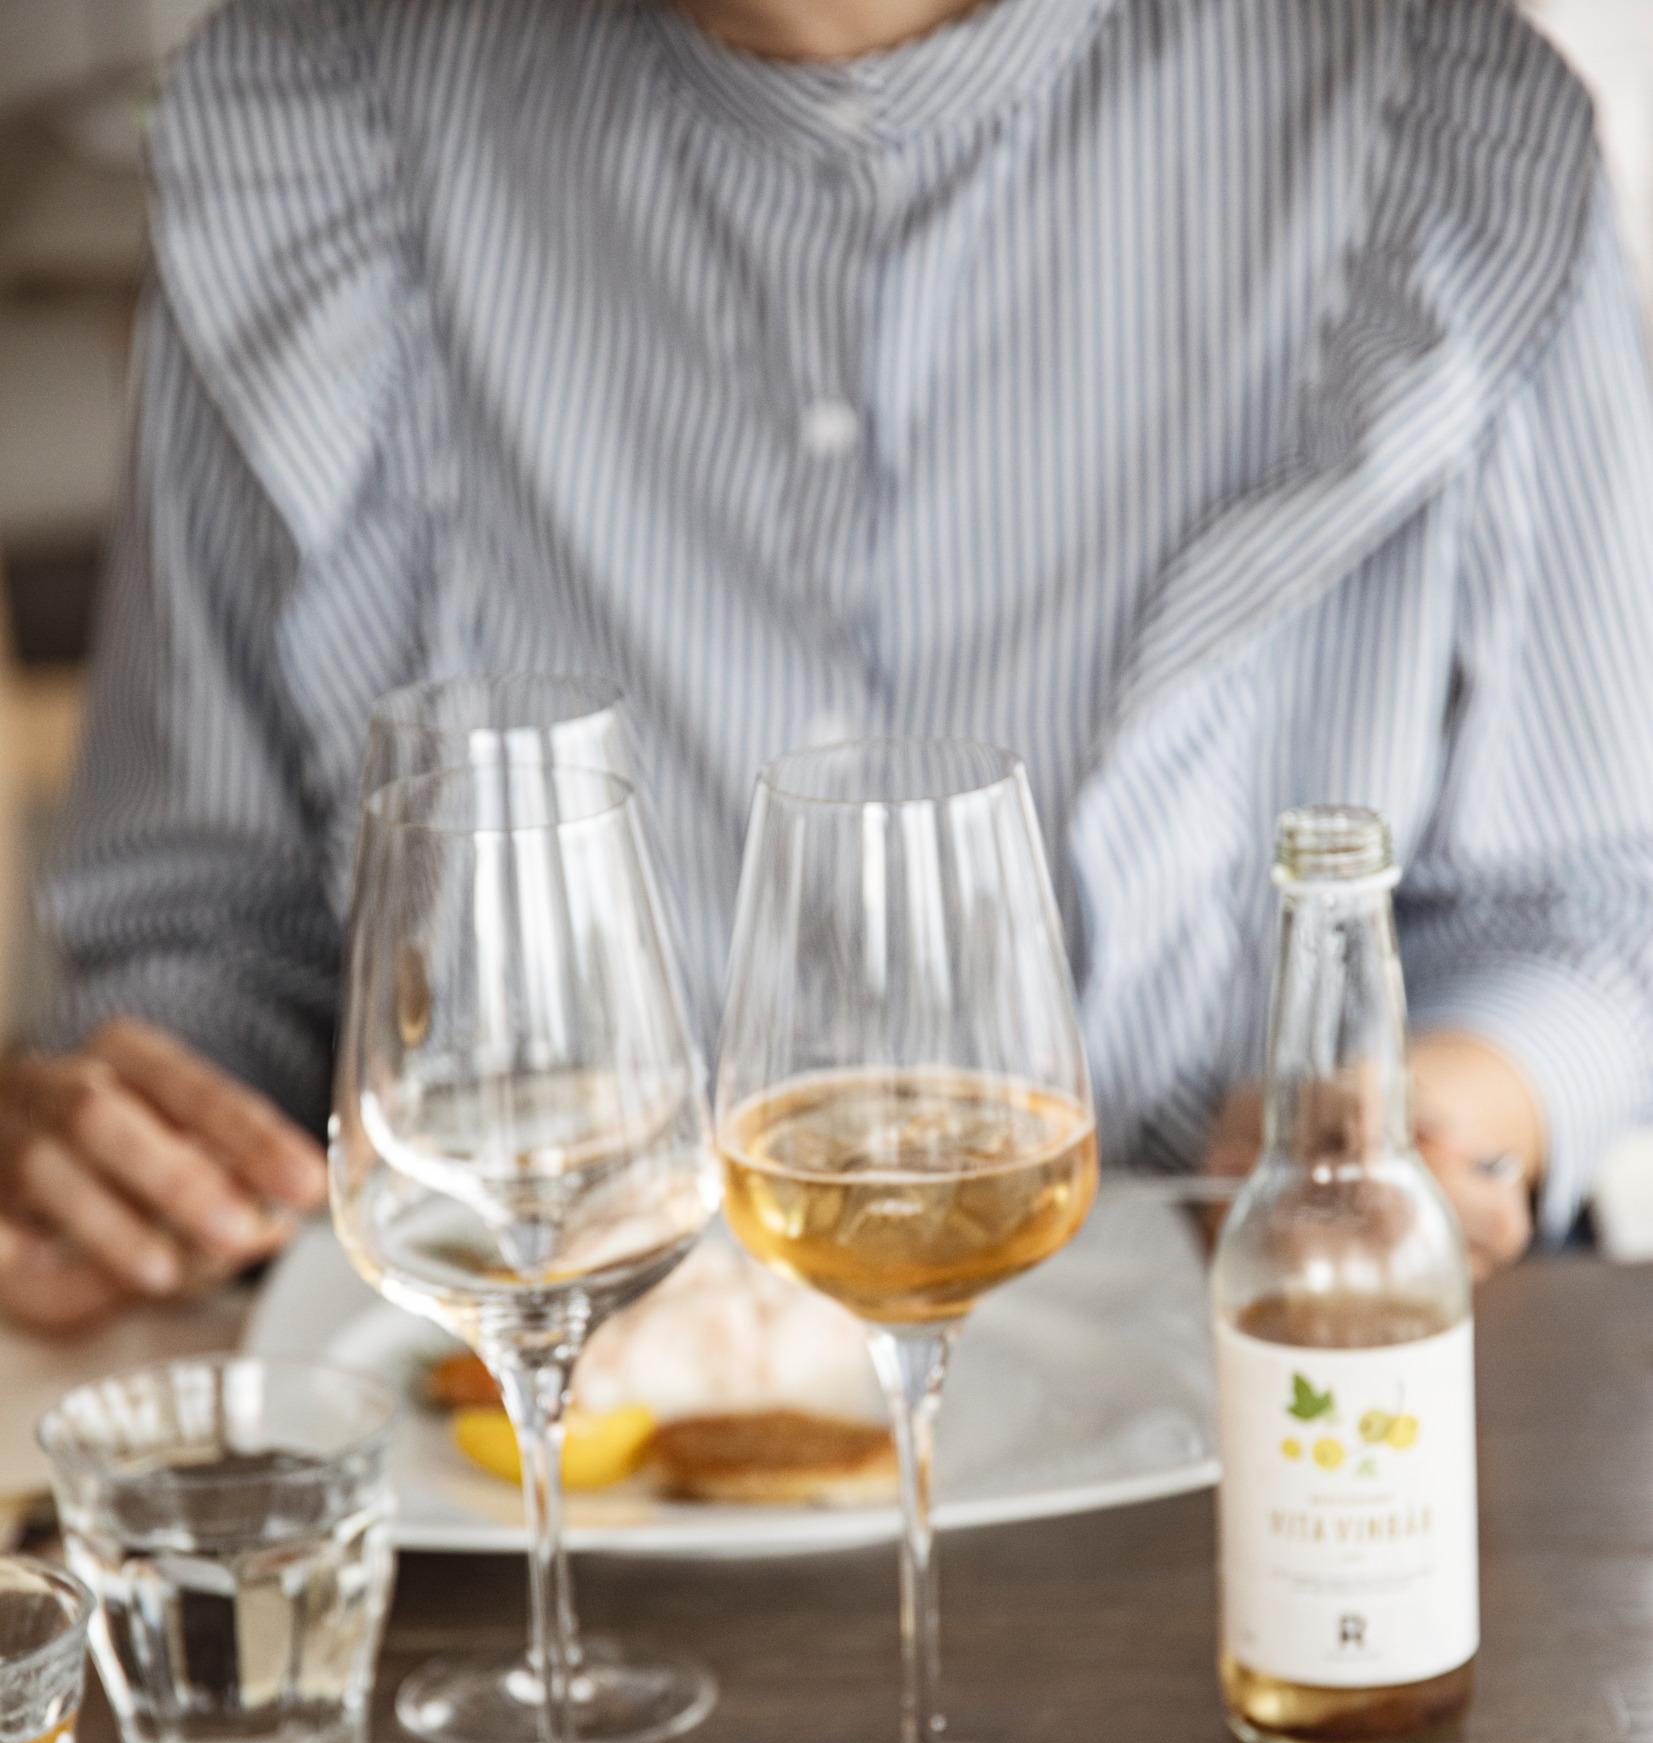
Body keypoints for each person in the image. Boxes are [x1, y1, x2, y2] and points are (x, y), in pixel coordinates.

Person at [7, 0, 1653, 1331]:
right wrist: (139, 1145)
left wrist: (1429, 1114)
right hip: (533, 1496)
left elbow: (1594, 907)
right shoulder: (307, 136)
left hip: (1266, 1452)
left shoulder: (1445, 130)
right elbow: (215, 938)